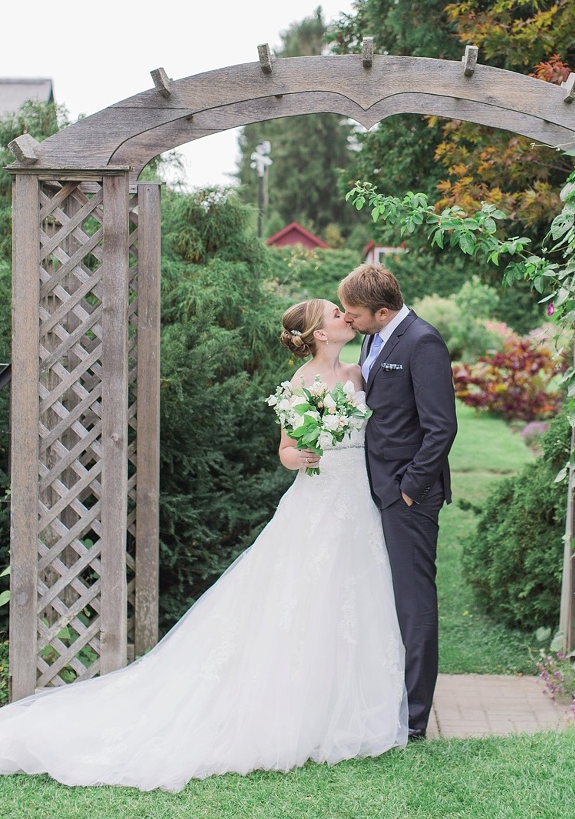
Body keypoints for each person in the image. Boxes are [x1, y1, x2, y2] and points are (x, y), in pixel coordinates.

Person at [0, 299, 407, 792]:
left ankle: (349, 707)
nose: (346, 315)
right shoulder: (301, 384)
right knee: (303, 599)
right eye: (336, 313)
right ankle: (295, 709)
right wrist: (296, 456)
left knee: (352, 599)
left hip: (356, 503)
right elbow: (284, 449)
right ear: (320, 334)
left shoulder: (360, 374)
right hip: (318, 501)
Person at [338, 264, 457, 741]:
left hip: (408, 495)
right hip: (373, 486)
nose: (348, 321)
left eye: (353, 314)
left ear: (382, 311)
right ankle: (388, 698)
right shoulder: (373, 336)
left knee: (414, 603)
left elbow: (441, 428)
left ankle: (413, 720)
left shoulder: (422, 342)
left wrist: (409, 487)